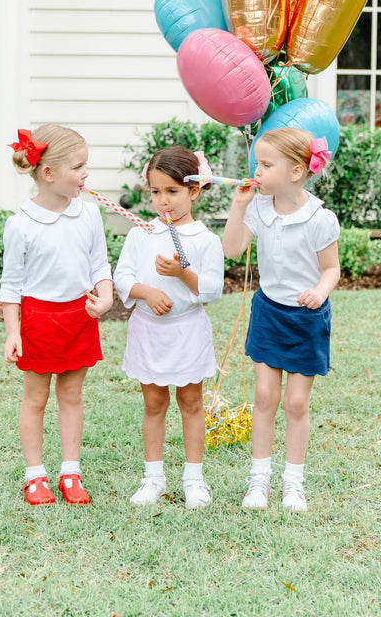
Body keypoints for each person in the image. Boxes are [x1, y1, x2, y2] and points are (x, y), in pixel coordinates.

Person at [222, 127, 340, 512]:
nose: (257, 170)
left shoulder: (320, 218)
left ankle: (294, 483)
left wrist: (319, 292)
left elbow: (331, 269)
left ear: (294, 172)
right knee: (265, 397)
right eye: (257, 161)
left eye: (266, 164)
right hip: (269, 311)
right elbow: (233, 249)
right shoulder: (258, 206)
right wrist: (239, 206)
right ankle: (259, 481)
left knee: (295, 403)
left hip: (306, 318)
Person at [0, 124, 114, 506]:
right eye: (78, 167)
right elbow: (11, 286)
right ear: (48, 174)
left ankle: (70, 472)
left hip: (79, 317)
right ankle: (35, 476)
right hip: (37, 320)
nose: (86, 174)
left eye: (86, 166)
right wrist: (13, 332)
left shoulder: (89, 214)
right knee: (35, 398)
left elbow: (99, 263)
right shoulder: (20, 225)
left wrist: (106, 296)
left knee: (72, 395)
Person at [113, 146, 224, 510]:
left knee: (190, 402)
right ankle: (153, 478)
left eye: (172, 192)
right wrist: (145, 290)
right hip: (148, 331)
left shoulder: (206, 240)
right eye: (156, 192)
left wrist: (181, 273)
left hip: (187, 331)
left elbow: (211, 289)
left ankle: (194, 479)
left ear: (193, 191)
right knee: (153, 402)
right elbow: (123, 276)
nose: (164, 201)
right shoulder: (141, 234)